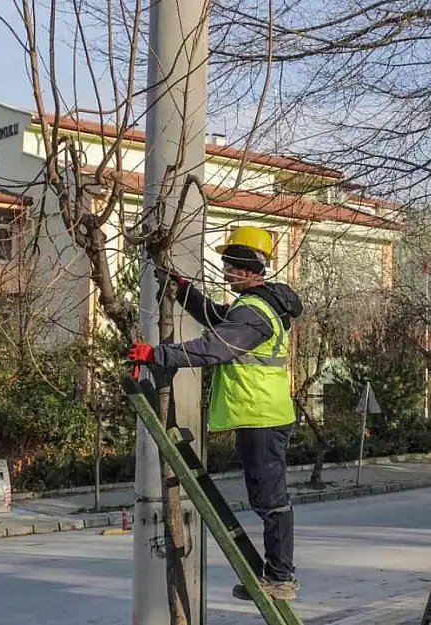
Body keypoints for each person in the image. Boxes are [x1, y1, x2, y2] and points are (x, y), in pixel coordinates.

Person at [126, 225, 304, 601]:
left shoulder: (254, 313)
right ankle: (278, 574)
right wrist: (185, 290)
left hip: (262, 415)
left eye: (229, 264)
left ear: (246, 265)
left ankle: (281, 578)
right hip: (260, 413)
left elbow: (215, 348)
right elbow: (218, 319)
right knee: (267, 498)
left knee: (270, 501)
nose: (225, 269)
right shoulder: (256, 305)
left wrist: (157, 354)